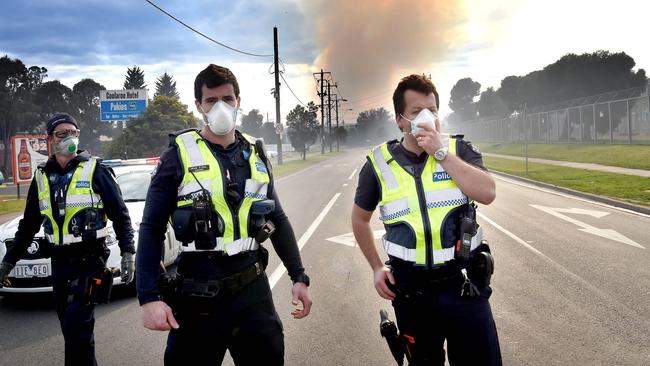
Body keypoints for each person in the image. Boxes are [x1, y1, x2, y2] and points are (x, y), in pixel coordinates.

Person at [136, 64, 312, 366]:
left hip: (253, 291)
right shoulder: (177, 154)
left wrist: (299, 276)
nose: (221, 107)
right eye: (211, 100)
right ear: (199, 106)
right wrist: (148, 297)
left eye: (227, 99)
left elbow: (278, 219)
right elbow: (151, 227)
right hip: (197, 295)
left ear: (238, 101)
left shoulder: (255, 153)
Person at [351, 74, 502, 365]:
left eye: (432, 110)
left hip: (462, 284)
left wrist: (440, 152)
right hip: (411, 292)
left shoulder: (458, 150)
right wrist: (376, 267)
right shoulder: (378, 165)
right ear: (400, 120)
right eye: (417, 111)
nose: (426, 117)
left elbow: (487, 193)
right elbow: (359, 221)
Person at [0, 112, 136, 366]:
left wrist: (128, 252)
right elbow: (28, 226)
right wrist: (8, 262)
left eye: (73, 133)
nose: (69, 138)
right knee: (73, 331)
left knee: (77, 325)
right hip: (60, 262)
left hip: (91, 260)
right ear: (51, 139)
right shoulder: (41, 176)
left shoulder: (96, 170)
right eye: (62, 134)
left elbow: (120, 215)